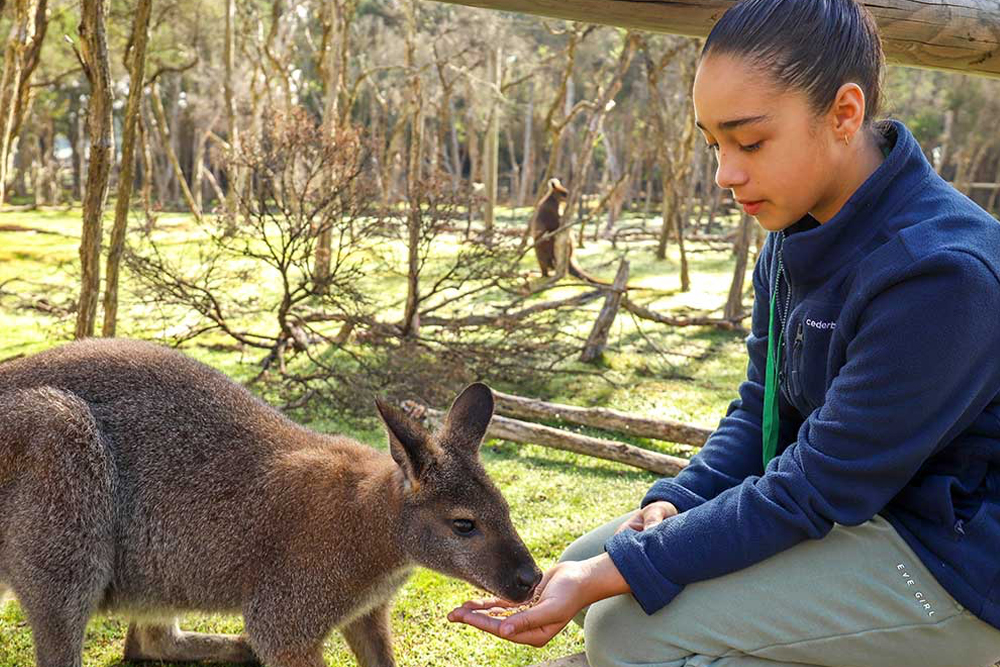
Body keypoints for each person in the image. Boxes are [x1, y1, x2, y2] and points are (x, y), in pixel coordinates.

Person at [447, 0, 1000, 665]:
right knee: (582, 564)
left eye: (749, 140)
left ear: (845, 114)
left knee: (622, 628)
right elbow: (760, 406)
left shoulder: (939, 274)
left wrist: (624, 567)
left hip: (958, 564)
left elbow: (814, 486)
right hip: (857, 514)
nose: (724, 174)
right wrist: (673, 500)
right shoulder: (797, 233)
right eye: (714, 142)